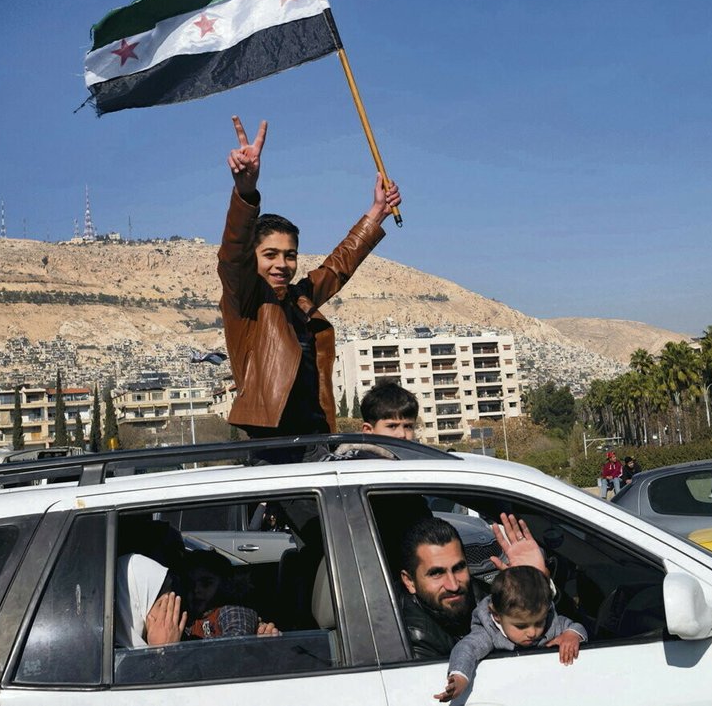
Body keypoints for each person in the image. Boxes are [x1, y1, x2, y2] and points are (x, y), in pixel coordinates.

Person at [218, 117, 402, 450]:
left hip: (318, 438)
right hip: (275, 446)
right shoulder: (244, 301)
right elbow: (232, 255)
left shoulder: (299, 299)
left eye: (290, 255)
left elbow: (337, 267)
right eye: (270, 254)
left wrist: (376, 213)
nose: (282, 264)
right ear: (252, 257)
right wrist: (245, 191)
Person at [398, 513, 549, 659]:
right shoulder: (411, 642)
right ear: (409, 581)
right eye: (437, 573)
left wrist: (533, 584)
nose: (453, 585)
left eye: (458, 568)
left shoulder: (479, 593)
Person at [434, 566, 585, 703]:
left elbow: (575, 627)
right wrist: (460, 676)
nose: (532, 632)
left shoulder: (550, 621)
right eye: (521, 626)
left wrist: (572, 635)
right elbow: (467, 648)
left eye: (539, 623)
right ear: (496, 615)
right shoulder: (489, 632)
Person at [184, 549, 280, 640]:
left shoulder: (232, 611)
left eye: (206, 583)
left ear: (224, 585)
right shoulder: (191, 620)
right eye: (190, 584)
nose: (196, 590)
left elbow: (235, 642)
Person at [115, 554, 187, 648]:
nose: (170, 617)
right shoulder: (109, 651)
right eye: (163, 606)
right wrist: (163, 650)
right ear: (136, 602)